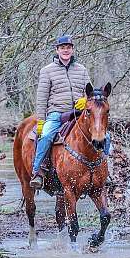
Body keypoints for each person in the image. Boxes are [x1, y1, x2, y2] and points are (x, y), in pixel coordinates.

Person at [30, 34, 110, 189]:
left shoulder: (82, 70)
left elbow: (91, 94)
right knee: (46, 136)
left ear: (72, 50)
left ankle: (105, 172)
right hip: (56, 114)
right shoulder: (47, 71)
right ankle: (38, 171)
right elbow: (41, 98)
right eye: (62, 48)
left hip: (79, 113)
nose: (65, 50)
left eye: (68, 47)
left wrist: (84, 101)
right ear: (57, 50)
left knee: (105, 136)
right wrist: (41, 121)